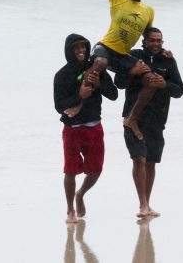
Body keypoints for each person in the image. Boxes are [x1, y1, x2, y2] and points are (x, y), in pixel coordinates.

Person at [64, 0, 164, 139]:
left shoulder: (148, 11)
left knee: (151, 78)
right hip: (106, 48)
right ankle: (79, 102)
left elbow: (149, 41)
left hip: (122, 57)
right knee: (99, 63)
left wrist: (163, 52)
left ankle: (132, 119)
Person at [115, 27, 183, 218]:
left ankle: (147, 203)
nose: (156, 44)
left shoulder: (168, 60)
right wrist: (133, 71)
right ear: (143, 42)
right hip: (132, 119)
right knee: (139, 159)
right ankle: (143, 205)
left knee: (151, 162)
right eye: (152, 40)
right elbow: (119, 83)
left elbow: (179, 90)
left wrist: (165, 85)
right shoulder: (133, 56)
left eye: (159, 41)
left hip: (157, 119)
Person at [54, 33, 118, 223]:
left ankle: (80, 193)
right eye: (76, 48)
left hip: (94, 126)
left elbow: (114, 95)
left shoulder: (97, 70)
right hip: (72, 128)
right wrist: (79, 96)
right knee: (70, 171)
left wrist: (100, 85)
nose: (81, 51)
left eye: (83, 47)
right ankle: (69, 210)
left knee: (96, 169)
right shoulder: (62, 75)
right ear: (69, 51)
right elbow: (59, 105)